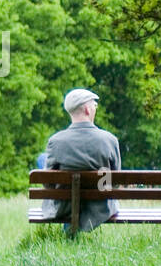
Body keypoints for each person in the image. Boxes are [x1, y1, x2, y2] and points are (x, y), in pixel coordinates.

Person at [39, 88, 122, 232]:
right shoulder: (109, 140)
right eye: (95, 106)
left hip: (65, 207)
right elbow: (115, 182)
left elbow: (49, 185)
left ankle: (70, 233)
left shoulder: (56, 141)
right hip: (100, 208)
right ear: (88, 110)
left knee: (42, 159)